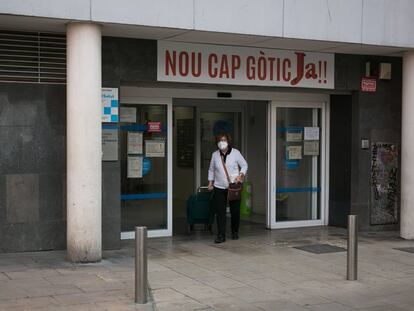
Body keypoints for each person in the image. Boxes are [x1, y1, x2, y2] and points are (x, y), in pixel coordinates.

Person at [208, 132, 248, 243]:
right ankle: (221, 235)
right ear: (217, 142)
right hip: (219, 187)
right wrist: (210, 182)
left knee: (235, 211)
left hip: (234, 186)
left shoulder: (236, 153)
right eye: (220, 140)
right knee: (220, 212)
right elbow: (211, 169)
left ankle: (235, 231)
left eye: (224, 140)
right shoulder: (215, 155)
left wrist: (241, 175)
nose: (222, 142)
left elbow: (244, 165)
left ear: (228, 141)